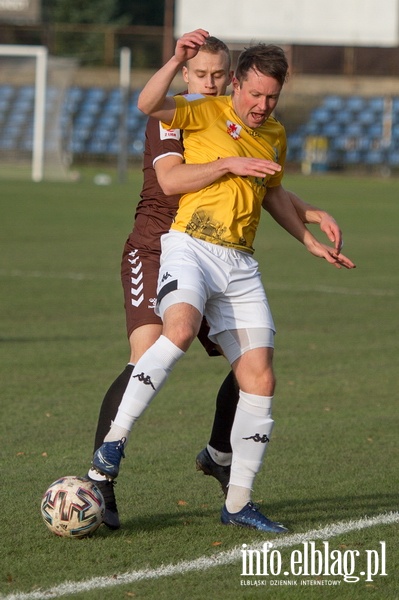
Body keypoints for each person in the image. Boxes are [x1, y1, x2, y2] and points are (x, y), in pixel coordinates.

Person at [90, 31, 355, 533]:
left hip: (234, 255)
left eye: (217, 76)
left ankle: (220, 457)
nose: (210, 85)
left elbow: (261, 180)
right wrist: (174, 63)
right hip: (163, 241)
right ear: (187, 73)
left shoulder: (260, 125)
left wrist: (307, 216)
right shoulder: (185, 113)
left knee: (254, 369)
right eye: (202, 75)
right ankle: (102, 472)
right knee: (156, 343)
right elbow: (172, 177)